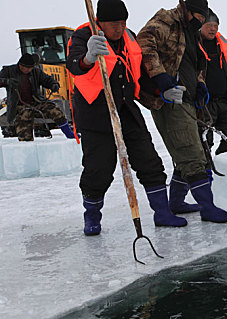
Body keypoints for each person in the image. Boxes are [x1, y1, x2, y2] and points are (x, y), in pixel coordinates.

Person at [67, 0, 188, 236]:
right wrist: (89, 57)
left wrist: (160, 91)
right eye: (114, 23)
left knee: (149, 161)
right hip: (95, 114)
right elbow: (74, 65)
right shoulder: (83, 35)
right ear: (100, 21)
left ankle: (162, 213)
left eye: (123, 22)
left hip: (126, 109)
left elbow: (140, 74)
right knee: (98, 169)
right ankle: (92, 216)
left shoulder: (130, 37)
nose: (119, 28)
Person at [137, 0, 227, 223]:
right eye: (198, 18)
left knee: (192, 151)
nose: (200, 23)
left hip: (188, 100)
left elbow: (191, 63)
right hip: (170, 101)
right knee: (191, 153)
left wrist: (199, 84)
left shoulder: (190, 30)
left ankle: (177, 203)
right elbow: (144, 44)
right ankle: (207, 208)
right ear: (187, 10)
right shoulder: (166, 21)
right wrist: (160, 78)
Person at [0, 53, 76, 141]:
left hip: (36, 102)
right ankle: (26, 144)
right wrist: (7, 82)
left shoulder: (36, 72)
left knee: (54, 110)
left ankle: (69, 134)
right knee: (25, 122)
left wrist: (54, 84)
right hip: (18, 106)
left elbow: (47, 79)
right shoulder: (8, 71)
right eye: (29, 68)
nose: (31, 70)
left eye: (32, 67)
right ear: (21, 66)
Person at [199, 9, 227, 156]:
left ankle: (223, 164)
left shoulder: (222, 46)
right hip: (204, 104)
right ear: (201, 25)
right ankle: (205, 173)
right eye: (209, 25)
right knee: (204, 142)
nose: (213, 29)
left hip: (224, 101)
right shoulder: (193, 44)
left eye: (216, 26)